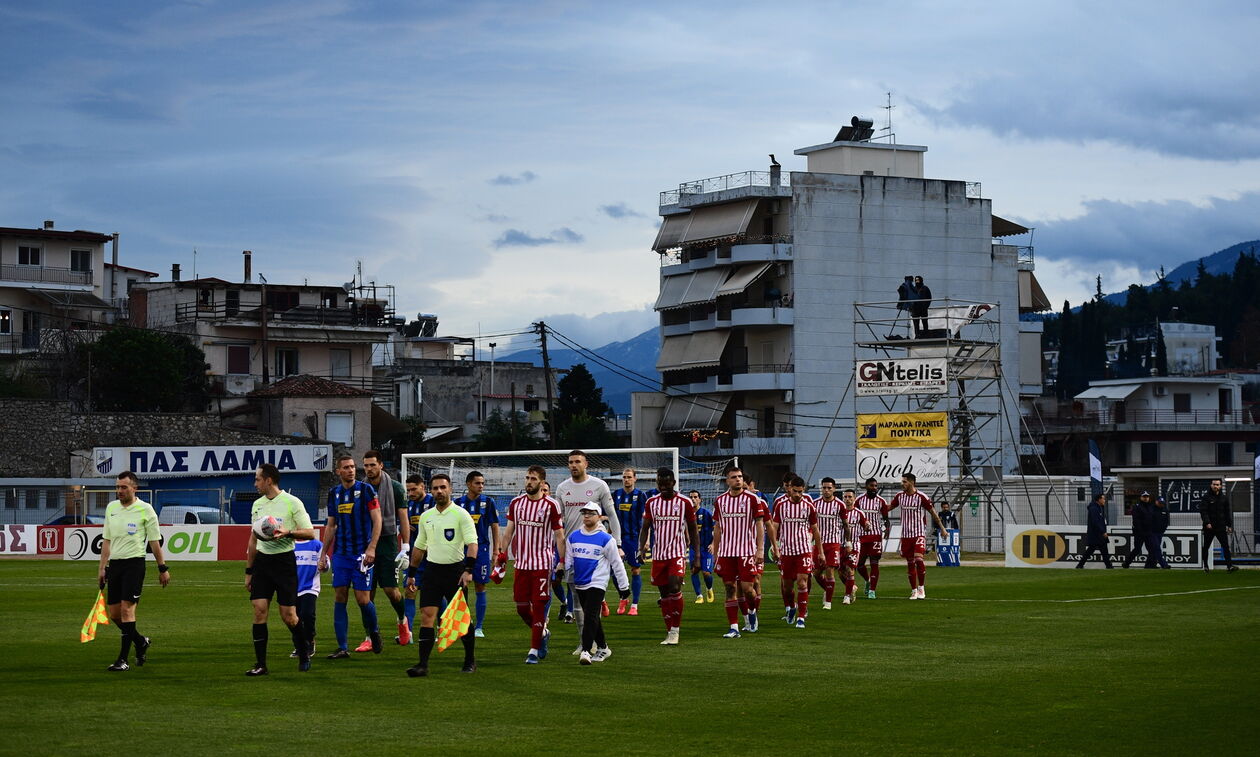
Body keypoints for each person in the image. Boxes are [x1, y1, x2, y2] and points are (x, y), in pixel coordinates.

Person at [244, 463, 316, 676]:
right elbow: (253, 540)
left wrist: (288, 533)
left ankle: (304, 651)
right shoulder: (257, 504)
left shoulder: (292, 502)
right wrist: (249, 571)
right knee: (259, 610)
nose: (255, 483)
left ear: (268, 480)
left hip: (284, 563)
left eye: (257, 479)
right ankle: (261, 664)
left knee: (289, 616)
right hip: (262, 564)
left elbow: (310, 533)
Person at [404, 473, 478, 677]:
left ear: (450, 489)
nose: (439, 491)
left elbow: (472, 543)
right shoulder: (427, 517)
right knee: (427, 616)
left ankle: (470, 660)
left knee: (461, 618)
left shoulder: (461, 514)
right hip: (432, 572)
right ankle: (422, 665)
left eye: (442, 487)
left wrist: (468, 570)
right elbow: (419, 547)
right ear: (431, 490)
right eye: (435, 488)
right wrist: (411, 574)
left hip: (455, 572)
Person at [97, 470, 170, 672]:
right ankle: (140, 641)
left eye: (123, 487)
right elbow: (107, 540)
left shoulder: (146, 510)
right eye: (117, 487)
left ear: (134, 488)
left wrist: (162, 568)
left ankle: (123, 659)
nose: (119, 491)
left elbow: (155, 543)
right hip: (116, 566)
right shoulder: (111, 508)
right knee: (114, 614)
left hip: (134, 565)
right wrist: (102, 568)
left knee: (127, 611)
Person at [496, 465, 565, 664]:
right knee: (521, 607)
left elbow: (559, 536)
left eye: (533, 479)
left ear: (542, 483)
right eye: (527, 478)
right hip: (521, 564)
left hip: (542, 564)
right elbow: (508, 532)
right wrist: (502, 555)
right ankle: (543, 632)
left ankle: (534, 649)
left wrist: (560, 561)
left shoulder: (551, 505)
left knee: (540, 607)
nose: (528, 482)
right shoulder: (516, 503)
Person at [317, 454, 384, 658]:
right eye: (346, 467)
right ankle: (342, 647)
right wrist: (323, 555)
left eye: (353, 467)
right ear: (338, 471)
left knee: (363, 600)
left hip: (361, 554)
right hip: (341, 554)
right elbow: (331, 525)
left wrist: (372, 548)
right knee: (340, 596)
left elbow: (377, 520)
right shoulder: (334, 493)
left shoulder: (366, 490)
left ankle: (374, 632)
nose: (351, 470)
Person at [555, 450, 619, 643]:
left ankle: (589, 644)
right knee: (576, 599)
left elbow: (612, 514)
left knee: (591, 604)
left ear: (586, 464)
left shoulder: (599, 486)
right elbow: (558, 521)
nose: (573, 465)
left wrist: (618, 542)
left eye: (577, 462)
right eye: (570, 462)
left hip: (595, 551)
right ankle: (584, 642)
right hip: (573, 550)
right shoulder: (562, 488)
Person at [354, 451, 410, 651]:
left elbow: (403, 518)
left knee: (391, 591)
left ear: (381, 466)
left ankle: (403, 622)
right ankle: (369, 636)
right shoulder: (359, 489)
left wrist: (405, 547)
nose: (369, 469)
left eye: (372, 465)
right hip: (365, 543)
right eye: (366, 466)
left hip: (387, 543)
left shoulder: (395, 488)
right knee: (366, 594)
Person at [638, 468, 698, 646]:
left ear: (673, 483)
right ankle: (669, 630)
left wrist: (697, 556)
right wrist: (641, 549)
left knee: (674, 586)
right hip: (659, 554)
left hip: (678, 553)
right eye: (660, 484)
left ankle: (675, 630)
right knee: (664, 593)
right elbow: (645, 527)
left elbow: (694, 530)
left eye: (666, 483)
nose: (663, 487)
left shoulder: (685, 502)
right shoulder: (651, 502)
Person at [567, 503, 631, 664]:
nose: (587, 516)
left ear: (599, 516)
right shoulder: (573, 537)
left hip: (597, 583)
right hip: (580, 583)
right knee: (593, 617)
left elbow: (617, 563)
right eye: (585, 513)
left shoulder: (606, 539)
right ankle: (603, 647)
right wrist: (560, 570)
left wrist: (624, 587)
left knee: (590, 615)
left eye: (591, 513)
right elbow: (568, 560)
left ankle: (587, 651)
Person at [711, 467, 768, 638]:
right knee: (729, 588)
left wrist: (759, 549)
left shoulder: (752, 499)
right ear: (727, 480)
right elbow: (718, 527)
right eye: (734, 477)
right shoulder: (720, 501)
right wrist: (716, 552)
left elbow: (760, 525)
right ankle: (734, 627)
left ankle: (751, 612)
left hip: (746, 551)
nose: (738, 480)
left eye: (740, 477)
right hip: (727, 552)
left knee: (748, 589)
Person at [769, 475, 823, 627]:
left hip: (803, 550)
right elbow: (774, 527)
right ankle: (791, 607)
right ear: (789, 489)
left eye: (800, 491)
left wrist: (820, 552)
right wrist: (775, 546)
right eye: (795, 491)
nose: (798, 494)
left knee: (802, 583)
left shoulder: (809, 506)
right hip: (786, 551)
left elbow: (815, 530)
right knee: (787, 587)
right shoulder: (781, 505)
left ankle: (801, 617)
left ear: (803, 490)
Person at [885, 473, 946, 599]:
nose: (902, 484)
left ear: (912, 482)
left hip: (918, 533)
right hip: (906, 535)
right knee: (910, 562)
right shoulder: (900, 496)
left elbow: (933, 512)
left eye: (905, 482)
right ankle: (913, 590)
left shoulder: (921, 497)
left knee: (919, 559)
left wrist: (943, 529)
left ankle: (921, 588)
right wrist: (875, 509)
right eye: (902, 481)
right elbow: (889, 507)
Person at [455, 470, 500, 638]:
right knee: (460, 587)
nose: (481, 486)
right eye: (477, 483)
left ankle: (479, 627)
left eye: (482, 483)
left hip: (481, 550)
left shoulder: (488, 502)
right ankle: (462, 624)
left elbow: (495, 527)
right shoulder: (458, 503)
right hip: (462, 550)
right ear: (468, 484)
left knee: (480, 586)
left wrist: (496, 550)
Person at [401, 474, 435, 638]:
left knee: (435, 593)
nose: (411, 493)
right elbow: (406, 527)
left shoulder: (433, 502)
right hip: (415, 558)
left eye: (414, 489)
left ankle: (442, 630)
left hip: (433, 559)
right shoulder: (409, 506)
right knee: (409, 591)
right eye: (408, 490)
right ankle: (408, 632)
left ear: (423, 486)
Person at [612, 467, 647, 615]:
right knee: (614, 571)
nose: (626, 479)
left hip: (634, 538)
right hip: (618, 539)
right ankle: (623, 597)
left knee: (635, 569)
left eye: (629, 477)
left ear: (635, 478)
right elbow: (610, 516)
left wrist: (645, 540)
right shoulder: (616, 495)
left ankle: (634, 605)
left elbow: (646, 520)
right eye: (624, 477)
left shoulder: (640, 496)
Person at [854, 478, 891, 598]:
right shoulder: (859, 500)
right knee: (859, 564)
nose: (874, 488)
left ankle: (872, 591)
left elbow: (886, 518)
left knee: (874, 562)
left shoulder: (881, 501)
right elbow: (854, 516)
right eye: (872, 485)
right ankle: (867, 580)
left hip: (875, 535)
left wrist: (887, 530)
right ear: (866, 486)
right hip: (861, 536)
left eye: (876, 486)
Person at [812, 477, 844, 609]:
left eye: (829, 488)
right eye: (824, 488)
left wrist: (848, 542)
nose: (826, 490)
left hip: (833, 543)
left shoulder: (839, 505)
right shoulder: (815, 504)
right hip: (819, 544)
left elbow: (846, 524)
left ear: (834, 489)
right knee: (816, 573)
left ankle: (828, 602)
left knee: (830, 570)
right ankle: (828, 589)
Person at [290, 534, 322, 659]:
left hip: (310, 587)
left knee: (308, 615)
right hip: (292, 589)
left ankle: (310, 641)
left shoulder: (316, 545)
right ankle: (299, 646)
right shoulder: (289, 545)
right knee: (294, 618)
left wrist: (324, 566)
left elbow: (325, 563)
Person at [1198, 478, 1238, 572]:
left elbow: (1227, 513)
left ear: (1220, 486)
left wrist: (1229, 525)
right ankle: (1206, 566)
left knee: (1225, 546)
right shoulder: (1206, 497)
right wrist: (1207, 522)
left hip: (1220, 526)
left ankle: (1229, 566)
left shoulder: (1224, 498)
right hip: (1209, 527)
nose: (1215, 486)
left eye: (1217, 484)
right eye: (1214, 484)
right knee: (1206, 546)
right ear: (1211, 485)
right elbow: (1203, 511)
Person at [839, 489, 870, 604]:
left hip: (854, 545)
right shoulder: (839, 511)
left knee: (850, 569)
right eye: (845, 497)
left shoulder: (859, 513)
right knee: (841, 572)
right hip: (840, 545)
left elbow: (865, 525)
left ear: (854, 498)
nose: (847, 499)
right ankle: (852, 587)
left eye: (850, 497)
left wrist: (867, 526)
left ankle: (847, 596)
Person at [688, 490, 715, 604]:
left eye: (695, 497)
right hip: (694, 549)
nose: (693, 499)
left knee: (706, 573)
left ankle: (709, 589)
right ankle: (699, 595)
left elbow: (716, 530)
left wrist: (713, 544)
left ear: (700, 499)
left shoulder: (706, 513)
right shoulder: (687, 515)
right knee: (694, 571)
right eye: (691, 497)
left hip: (706, 548)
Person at [1077, 493, 1113, 569]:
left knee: (1101, 550)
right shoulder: (1094, 509)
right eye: (1103, 499)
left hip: (1098, 534)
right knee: (1093, 550)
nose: (1104, 500)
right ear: (1099, 499)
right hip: (1096, 534)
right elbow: (1095, 522)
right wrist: (1103, 531)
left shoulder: (1100, 508)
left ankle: (1108, 566)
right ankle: (1080, 565)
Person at [1121, 492, 1154, 569]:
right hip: (1139, 533)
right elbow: (1136, 520)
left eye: (1147, 496)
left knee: (1152, 549)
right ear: (1141, 497)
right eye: (1144, 496)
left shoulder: (1151, 506)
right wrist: (1140, 531)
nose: (1146, 498)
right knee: (1137, 549)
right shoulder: (1137, 507)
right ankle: (1126, 563)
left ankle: (1149, 566)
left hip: (1149, 532)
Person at [1147, 497, 1172, 569]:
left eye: (1162, 503)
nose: (1161, 504)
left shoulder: (1165, 510)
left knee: (1153, 549)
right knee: (1157, 548)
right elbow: (1148, 520)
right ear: (1156, 502)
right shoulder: (1151, 509)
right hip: (1152, 533)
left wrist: (1163, 530)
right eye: (1160, 503)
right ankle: (1164, 564)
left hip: (1160, 533)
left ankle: (1150, 565)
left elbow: (1166, 521)